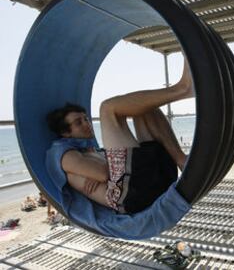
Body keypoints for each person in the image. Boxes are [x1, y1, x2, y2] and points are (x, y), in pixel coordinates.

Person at [46, 59, 193, 214]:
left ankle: (180, 160)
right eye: (78, 122)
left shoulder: (90, 151)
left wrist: (96, 167)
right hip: (132, 196)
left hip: (152, 179)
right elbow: (103, 173)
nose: (86, 123)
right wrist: (97, 169)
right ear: (65, 133)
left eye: (85, 119)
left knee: (144, 108)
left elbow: (104, 173)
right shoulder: (66, 156)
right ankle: (183, 89)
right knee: (107, 108)